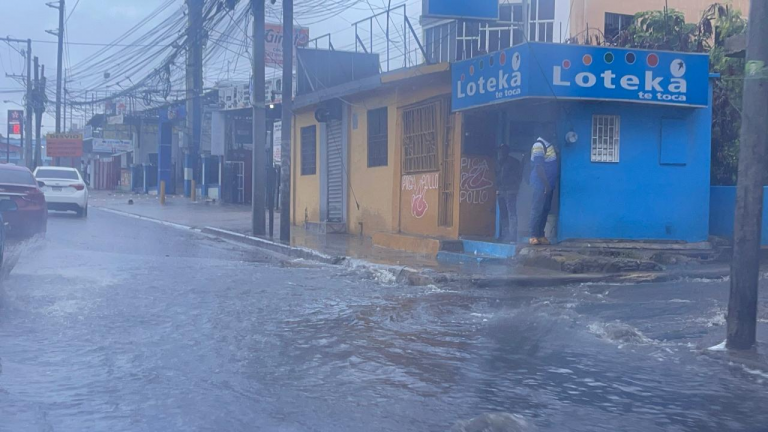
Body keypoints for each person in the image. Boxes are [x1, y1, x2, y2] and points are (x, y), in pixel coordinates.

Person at [529, 134, 559, 245]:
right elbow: (539, 167)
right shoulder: (538, 145)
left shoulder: (550, 145)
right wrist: (546, 185)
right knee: (537, 210)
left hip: (548, 185)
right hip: (540, 185)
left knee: (545, 210)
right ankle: (533, 235)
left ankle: (541, 235)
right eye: (550, 129)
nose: (552, 133)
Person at [495, 144, 522, 242]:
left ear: (507, 151)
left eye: (502, 150)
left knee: (511, 213)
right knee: (503, 214)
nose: (501, 153)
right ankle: (504, 236)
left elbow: (519, 177)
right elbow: (497, 177)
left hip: (511, 190)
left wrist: (514, 187)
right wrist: (497, 188)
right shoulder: (499, 162)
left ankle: (512, 236)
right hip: (501, 191)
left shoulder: (514, 162)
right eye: (500, 151)